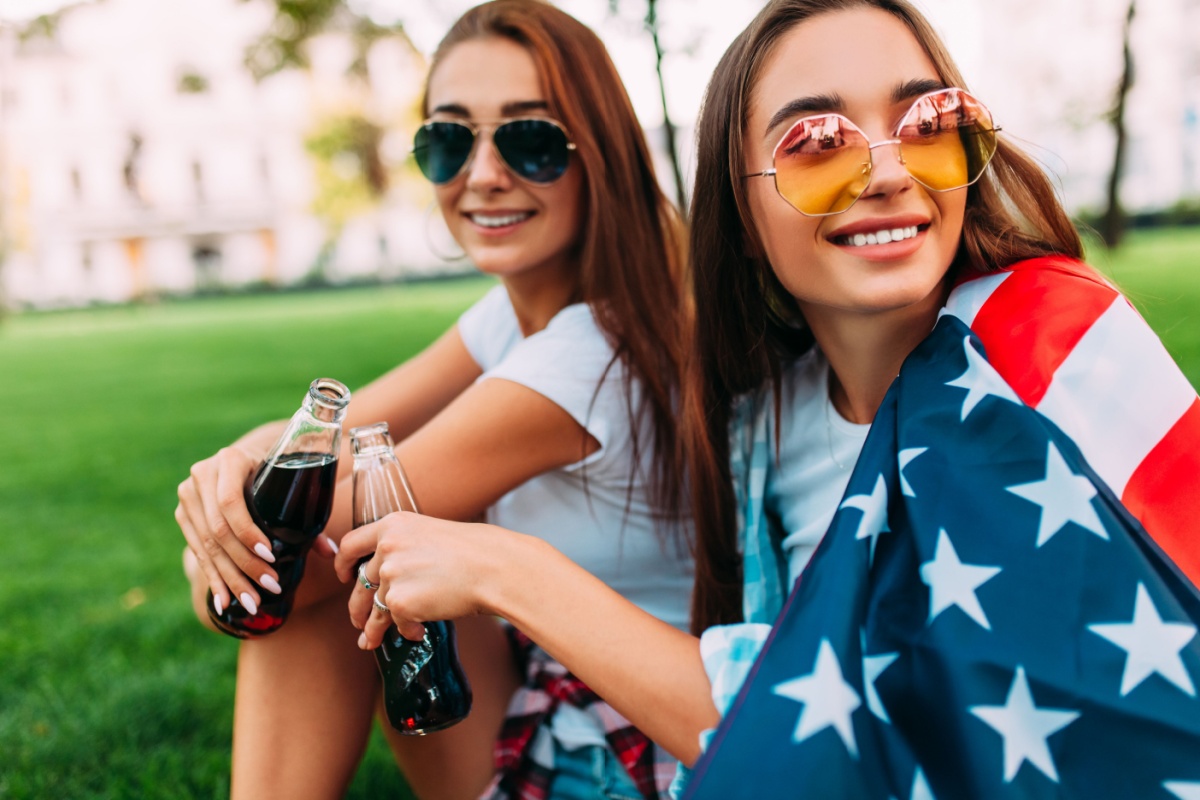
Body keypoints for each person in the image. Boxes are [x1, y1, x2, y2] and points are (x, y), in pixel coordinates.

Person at [338, 0, 1200, 796]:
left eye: (929, 125)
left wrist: (506, 570)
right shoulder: (758, 429)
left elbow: (843, 724)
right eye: (817, 144)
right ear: (742, 223)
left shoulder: (1050, 342)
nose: (891, 172)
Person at [174, 1, 693, 797]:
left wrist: (224, 541)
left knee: (349, 561)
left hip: (631, 752)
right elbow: (335, 435)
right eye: (449, 140)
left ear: (604, 154)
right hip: (555, 694)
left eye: (531, 139)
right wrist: (240, 465)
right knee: (350, 537)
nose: (483, 174)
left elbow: (280, 582)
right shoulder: (520, 315)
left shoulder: (591, 352)